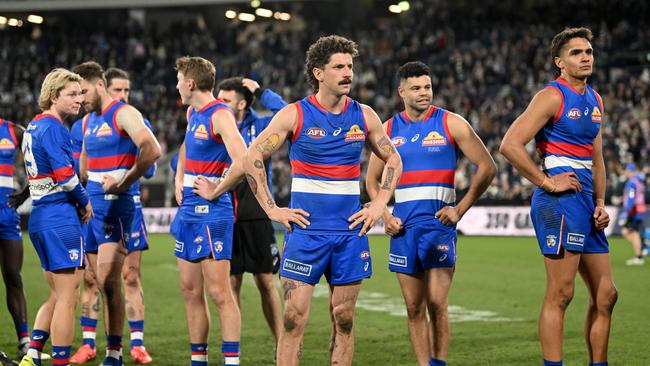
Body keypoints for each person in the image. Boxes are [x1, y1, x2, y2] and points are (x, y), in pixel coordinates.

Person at [241, 35, 402, 366]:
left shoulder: (365, 115)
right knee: (292, 317)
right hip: (306, 233)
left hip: (349, 234)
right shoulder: (294, 114)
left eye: (350, 66)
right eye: (339, 67)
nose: (348, 73)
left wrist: (378, 205)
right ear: (318, 73)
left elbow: (394, 160)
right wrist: (272, 209)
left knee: (344, 318)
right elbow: (252, 156)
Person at [500, 27, 616, 366]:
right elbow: (509, 144)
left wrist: (600, 203)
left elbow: (598, 160)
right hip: (559, 202)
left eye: (589, 52)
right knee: (562, 293)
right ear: (559, 62)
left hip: (585, 202)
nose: (585, 57)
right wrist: (547, 182)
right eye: (576, 52)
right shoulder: (552, 96)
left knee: (606, 295)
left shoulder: (596, 100)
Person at [366, 61, 496, 366]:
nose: (424, 93)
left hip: (438, 227)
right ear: (402, 92)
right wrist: (384, 215)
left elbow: (488, 167)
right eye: (416, 88)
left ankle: (439, 362)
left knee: (437, 302)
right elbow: (370, 180)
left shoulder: (452, 123)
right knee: (413, 307)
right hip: (403, 229)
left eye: (427, 87)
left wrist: (460, 209)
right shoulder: (387, 130)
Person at [72, 61, 161, 366]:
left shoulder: (124, 113)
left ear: (99, 86)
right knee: (95, 279)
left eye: (83, 91)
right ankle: (103, 348)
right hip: (92, 211)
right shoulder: (85, 123)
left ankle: (119, 350)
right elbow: (83, 167)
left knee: (115, 280)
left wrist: (124, 181)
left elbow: (153, 150)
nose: (79, 98)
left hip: (119, 209)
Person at [172, 56, 246, 366]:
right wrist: (178, 177)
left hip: (213, 210)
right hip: (189, 208)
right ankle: (198, 360)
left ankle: (231, 362)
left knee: (219, 291)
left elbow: (244, 159)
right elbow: (187, 146)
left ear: (190, 83)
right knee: (190, 290)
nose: (176, 85)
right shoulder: (193, 112)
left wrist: (217, 190)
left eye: (178, 80)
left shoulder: (220, 115)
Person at [18, 68, 93, 366]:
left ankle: (33, 353)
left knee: (57, 292)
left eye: (80, 94)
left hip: (40, 216)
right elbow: (65, 175)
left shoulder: (34, 126)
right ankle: (60, 361)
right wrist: (85, 202)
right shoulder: (55, 128)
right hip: (59, 216)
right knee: (67, 298)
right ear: (52, 97)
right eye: (72, 94)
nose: (79, 99)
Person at [216, 76, 285, 352]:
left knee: (265, 280)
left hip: (256, 210)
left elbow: (286, 115)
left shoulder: (260, 125)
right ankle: (233, 348)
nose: (218, 105)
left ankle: (283, 345)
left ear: (242, 103)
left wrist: (262, 92)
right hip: (225, 211)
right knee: (230, 282)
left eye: (225, 101)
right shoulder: (216, 124)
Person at [0, 116, 31, 363]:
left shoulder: (14, 131)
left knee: (13, 275)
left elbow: (39, 160)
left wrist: (27, 193)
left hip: (6, 213)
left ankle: (24, 341)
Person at [620, 163, 647, 266]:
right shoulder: (639, 181)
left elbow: (631, 197)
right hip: (639, 209)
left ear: (630, 171)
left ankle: (639, 255)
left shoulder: (632, 182)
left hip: (634, 210)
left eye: (626, 170)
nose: (625, 172)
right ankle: (640, 250)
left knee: (632, 232)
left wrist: (626, 211)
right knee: (627, 231)